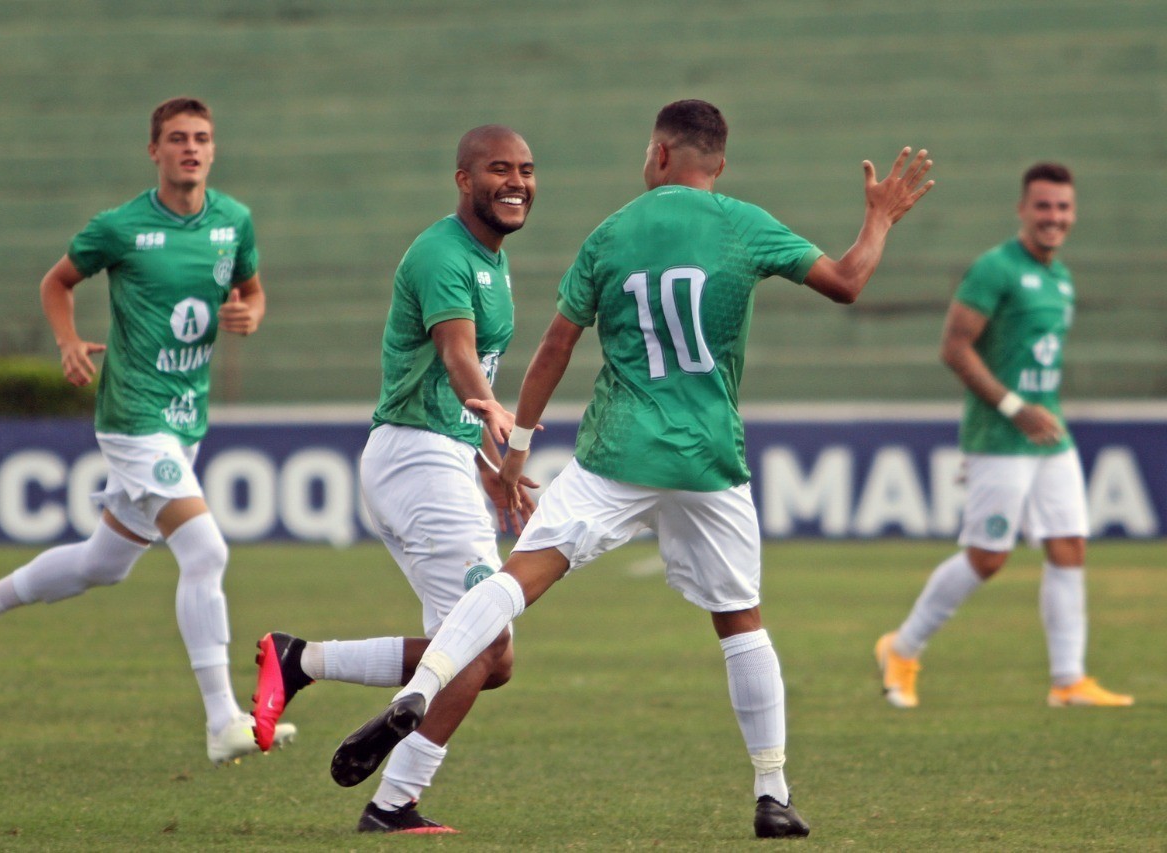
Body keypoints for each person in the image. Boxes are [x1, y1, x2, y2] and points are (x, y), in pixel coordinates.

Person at [332, 99, 934, 840]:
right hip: (708, 456)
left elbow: (556, 347)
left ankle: (421, 688)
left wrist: (516, 450)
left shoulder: (611, 233)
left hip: (617, 451)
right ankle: (772, 791)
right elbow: (846, 281)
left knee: (516, 582)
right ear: (720, 163)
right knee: (741, 622)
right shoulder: (744, 224)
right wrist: (879, 219)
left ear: (659, 155)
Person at [0, 96, 295, 765]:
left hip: (185, 419)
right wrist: (68, 342)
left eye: (202, 138)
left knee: (103, 563)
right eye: (177, 138)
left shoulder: (233, 220)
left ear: (214, 149)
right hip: (133, 416)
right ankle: (223, 721)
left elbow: (253, 289)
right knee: (206, 551)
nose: (191, 148)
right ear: (154, 151)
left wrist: (253, 312)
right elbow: (57, 282)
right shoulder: (121, 227)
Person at [250, 125, 537, 834]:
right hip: (418, 460)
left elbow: (462, 377)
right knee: (482, 643)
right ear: (464, 179)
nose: (517, 183)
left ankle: (301, 660)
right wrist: (489, 409)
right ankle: (391, 804)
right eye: (499, 169)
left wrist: (490, 467)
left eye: (527, 171)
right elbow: (458, 355)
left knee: (491, 655)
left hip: (438, 457)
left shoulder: (492, 260)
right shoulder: (442, 253)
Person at [875, 164, 1134, 711]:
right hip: (1000, 434)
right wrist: (1015, 408)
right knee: (989, 557)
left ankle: (1068, 680)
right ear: (1022, 209)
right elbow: (954, 348)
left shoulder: (1061, 278)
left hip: (1048, 435)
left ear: (1073, 213)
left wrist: (1037, 412)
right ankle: (901, 648)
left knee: (1069, 545)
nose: (1053, 216)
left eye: (1063, 207)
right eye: (1043, 206)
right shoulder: (995, 269)